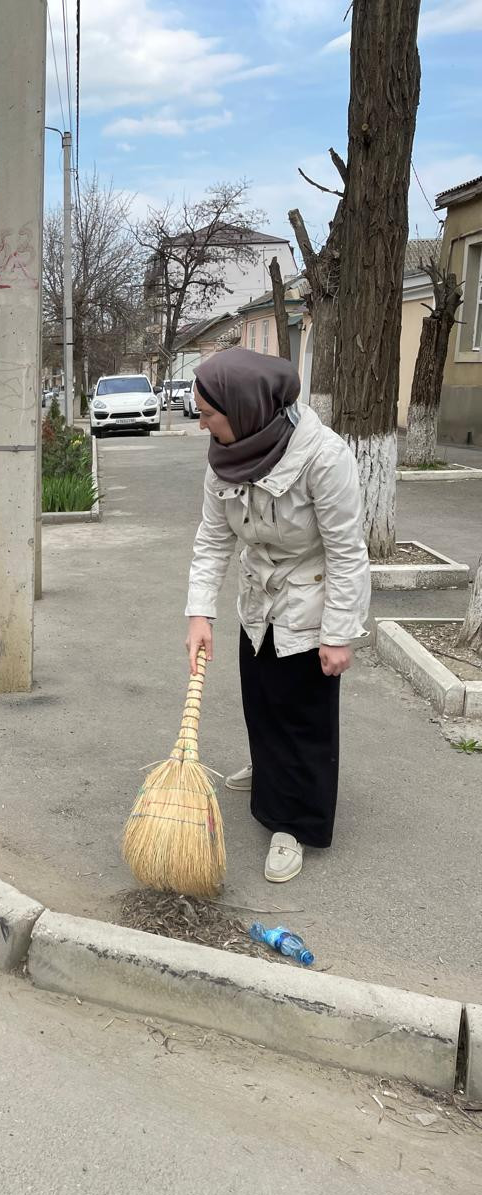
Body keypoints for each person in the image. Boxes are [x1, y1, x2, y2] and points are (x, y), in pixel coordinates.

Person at [184, 347, 370, 884]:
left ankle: (295, 822)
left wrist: (338, 635)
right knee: (262, 696)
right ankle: (269, 773)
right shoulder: (226, 455)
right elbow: (213, 539)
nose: (201, 423)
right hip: (258, 596)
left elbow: (346, 550)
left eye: (206, 413)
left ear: (242, 409)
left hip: (311, 597)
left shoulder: (323, 456)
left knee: (304, 716)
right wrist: (201, 613)